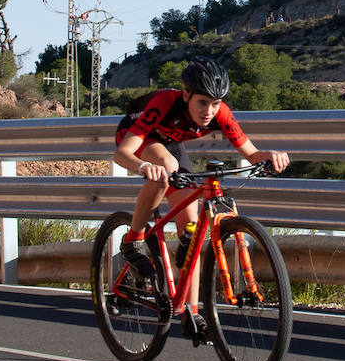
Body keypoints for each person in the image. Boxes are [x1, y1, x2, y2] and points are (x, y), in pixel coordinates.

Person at [111, 55, 290, 343]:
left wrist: (269, 155)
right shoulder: (165, 103)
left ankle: (191, 311)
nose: (209, 111)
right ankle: (133, 239)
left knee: (191, 233)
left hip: (170, 144)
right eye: (202, 102)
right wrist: (144, 167)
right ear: (186, 95)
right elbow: (122, 153)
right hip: (139, 136)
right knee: (165, 168)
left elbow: (251, 153)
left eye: (215, 103)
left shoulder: (221, 113)